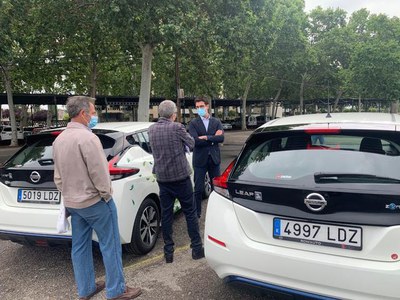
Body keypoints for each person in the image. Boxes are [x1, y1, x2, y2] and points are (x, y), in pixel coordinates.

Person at [53, 96, 141, 300]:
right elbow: (99, 173)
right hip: (95, 202)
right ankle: (116, 290)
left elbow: (57, 176)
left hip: (72, 203)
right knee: (110, 245)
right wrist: (106, 195)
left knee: (80, 247)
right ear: (83, 114)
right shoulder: (88, 138)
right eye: (93, 113)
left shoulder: (59, 139)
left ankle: (85, 289)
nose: (94, 116)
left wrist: (68, 194)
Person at [148, 100, 204, 263]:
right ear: (173, 114)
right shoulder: (177, 127)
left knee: (166, 214)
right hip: (180, 177)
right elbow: (192, 143)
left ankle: (169, 252)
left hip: (163, 178)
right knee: (190, 213)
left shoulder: (151, 129)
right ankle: (197, 249)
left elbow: (154, 149)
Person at [188, 96, 224, 218]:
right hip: (200, 160)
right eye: (197, 107)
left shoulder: (216, 122)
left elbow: (221, 138)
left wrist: (207, 137)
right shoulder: (193, 123)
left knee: (217, 187)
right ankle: (197, 213)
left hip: (214, 159)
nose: (199, 109)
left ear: (207, 106)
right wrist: (213, 137)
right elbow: (195, 141)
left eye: (201, 106)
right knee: (198, 189)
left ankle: (217, 212)